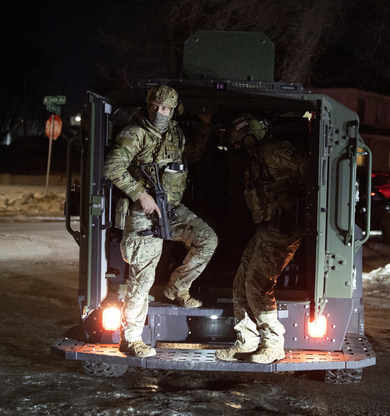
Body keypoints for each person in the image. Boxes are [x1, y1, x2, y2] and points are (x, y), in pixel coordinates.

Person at [103, 85, 218, 358]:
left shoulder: (175, 133)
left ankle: (177, 288)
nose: (159, 112)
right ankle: (130, 339)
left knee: (207, 239)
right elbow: (112, 167)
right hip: (143, 215)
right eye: (155, 106)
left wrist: (205, 126)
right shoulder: (136, 133)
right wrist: (140, 194)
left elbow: (192, 157)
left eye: (165, 108)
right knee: (141, 281)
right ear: (149, 105)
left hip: (171, 209)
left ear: (174, 109)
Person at [215, 114, 309, 364]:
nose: (243, 146)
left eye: (245, 140)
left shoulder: (272, 150)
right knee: (241, 283)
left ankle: (273, 343)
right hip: (267, 228)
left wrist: (298, 200)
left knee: (257, 285)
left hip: (283, 229)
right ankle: (247, 341)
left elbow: (308, 164)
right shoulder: (256, 158)